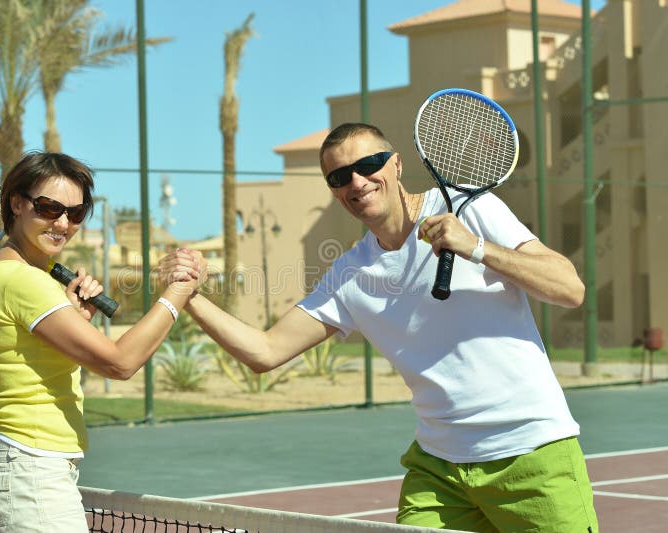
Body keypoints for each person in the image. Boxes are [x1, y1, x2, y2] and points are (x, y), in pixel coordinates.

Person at [159, 123, 598, 532]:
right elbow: (265, 351)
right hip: (440, 469)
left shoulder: (472, 209)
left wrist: (476, 247)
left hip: (531, 451)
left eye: (368, 165)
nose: (357, 181)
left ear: (397, 164)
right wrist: (189, 297)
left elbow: (569, 288)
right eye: (339, 177)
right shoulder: (350, 274)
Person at [0, 151, 202, 532]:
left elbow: (40, 366)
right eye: (49, 208)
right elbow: (119, 362)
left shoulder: (20, 276)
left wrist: (74, 319)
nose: (62, 223)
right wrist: (179, 291)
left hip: (30, 470)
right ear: (16, 203)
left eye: (76, 214)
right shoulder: (22, 280)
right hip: (32, 474)